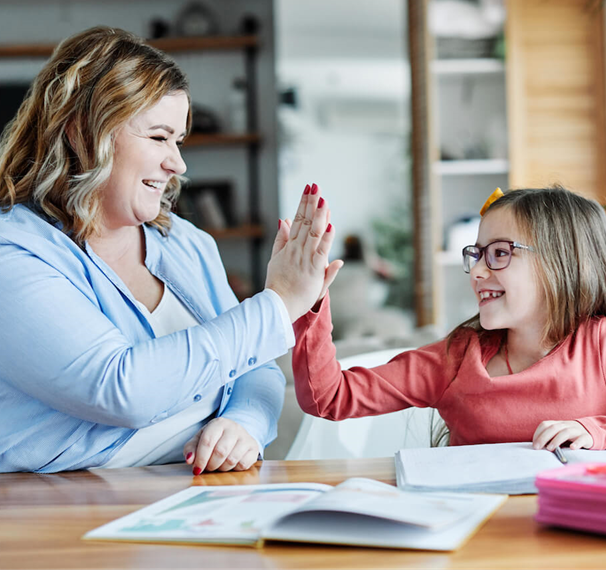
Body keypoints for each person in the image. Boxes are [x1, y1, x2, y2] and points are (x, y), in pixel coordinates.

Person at [0, 26, 338, 474]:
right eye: (159, 137)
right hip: (70, 506)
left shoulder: (185, 242)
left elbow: (255, 371)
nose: (177, 163)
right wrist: (277, 305)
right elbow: (121, 389)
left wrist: (244, 424)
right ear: (83, 134)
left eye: (178, 141)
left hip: (200, 495)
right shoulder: (15, 255)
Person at [292, 185, 606, 452]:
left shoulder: (599, 344)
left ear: (567, 264)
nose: (478, 272)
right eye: (477, 255)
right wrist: (311, 300)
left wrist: (594, 432)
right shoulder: (455, 361)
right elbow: (329, 396)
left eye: (499, 253)